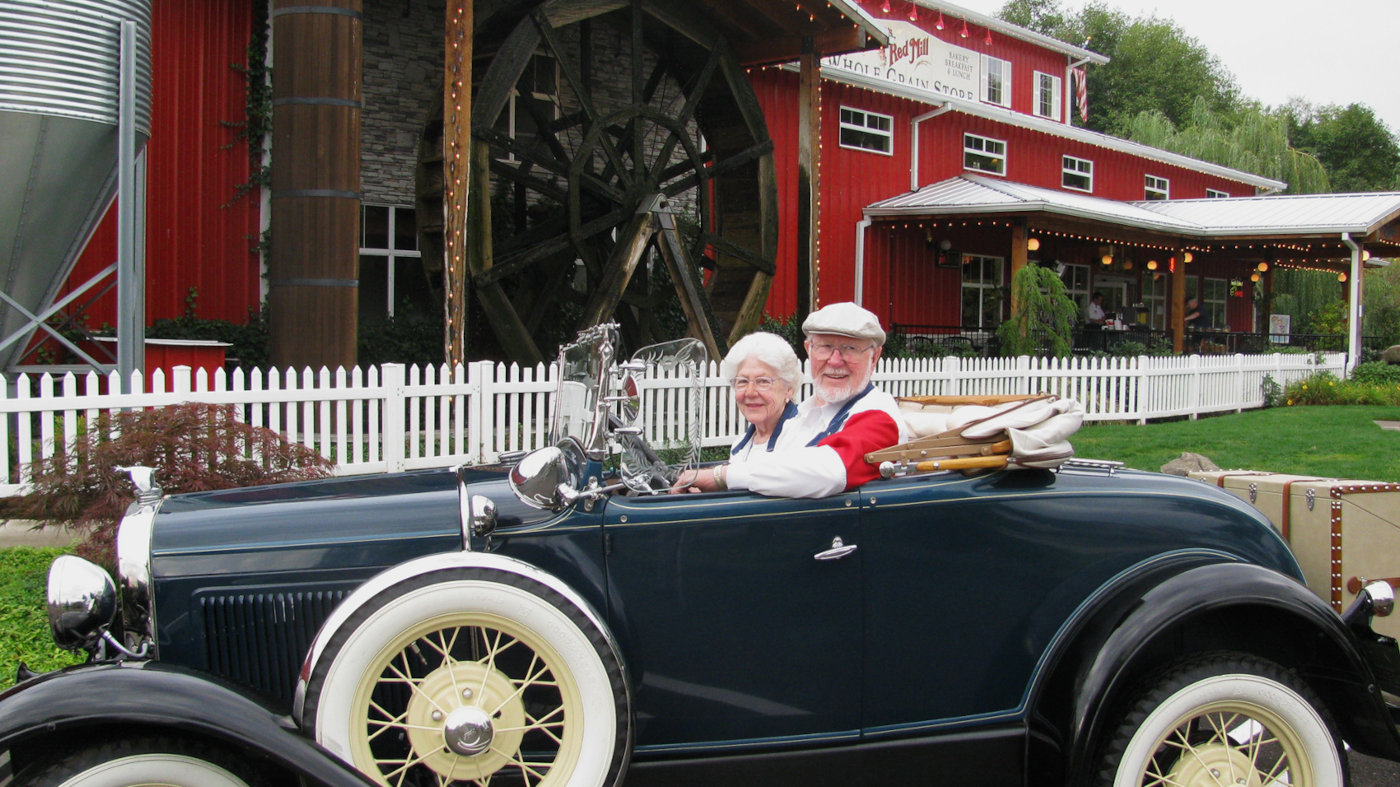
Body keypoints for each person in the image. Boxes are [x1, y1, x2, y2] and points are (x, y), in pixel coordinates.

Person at [672, 302, 910, 498]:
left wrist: (721, 476)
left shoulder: (879, 417)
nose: (835, 361)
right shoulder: (803, 415)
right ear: (809, 350)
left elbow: (829, 471)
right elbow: (774, 473)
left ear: (875, 356)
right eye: (825, 347)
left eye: (850, 348)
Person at [720, 331, 804, 463]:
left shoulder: (803, 439)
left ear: (789, 388)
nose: (750, 392)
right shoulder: (740, 446)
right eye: (742, 381)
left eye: (763, 381)